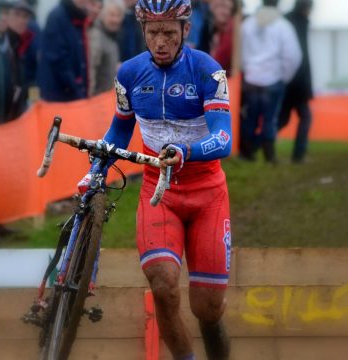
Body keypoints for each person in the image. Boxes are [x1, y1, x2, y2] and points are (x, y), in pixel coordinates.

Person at [77, 0, 233, 358]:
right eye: (152, 33)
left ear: (185, 31)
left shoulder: (208, 71)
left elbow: (224, 137)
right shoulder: (129, 74)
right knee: (163, 285)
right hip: (158, 192)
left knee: (207, 309)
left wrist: (186, 151)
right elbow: (118, 130)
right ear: (142, 31)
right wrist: (95, 171)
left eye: (168, 33)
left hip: (207, 192)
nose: (160, 41)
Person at [240, 0, 302, 163]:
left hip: (251, 79)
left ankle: (247, 153)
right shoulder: (283, 26)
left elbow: (239, 52)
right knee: (270, 119)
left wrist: (247, 70)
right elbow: (293, 56)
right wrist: (284, 77)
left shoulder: (247, 25)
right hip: (273, 80)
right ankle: (269, 156)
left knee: (249, 118)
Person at [277, 0, 314, 164]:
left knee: (282, 119)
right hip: (297, 81)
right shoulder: (299, 23)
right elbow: (300, 57)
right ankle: (298, 155)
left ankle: (252, 146)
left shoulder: (285, 20)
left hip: (287, 79)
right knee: (305, 117)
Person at [37, 0, 92, 101]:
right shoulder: (57, 17)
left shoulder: (78, 17)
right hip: (59, 95)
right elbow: (57, 59)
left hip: (74, 92)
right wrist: (76, 89)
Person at [88, 0, 124, 96]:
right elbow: (91, 71)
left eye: (118, 15)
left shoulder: (111, 36)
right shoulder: (97, 38)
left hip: (107, 100)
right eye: (112, 15)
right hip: (96, 101)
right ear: (102, 15)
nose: (115, 20)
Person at [198, 0, 234, 73]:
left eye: (228, 8)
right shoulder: (208, 28)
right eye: (221, 7)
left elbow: (217, 63)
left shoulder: (230, 31)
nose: (225, 12)